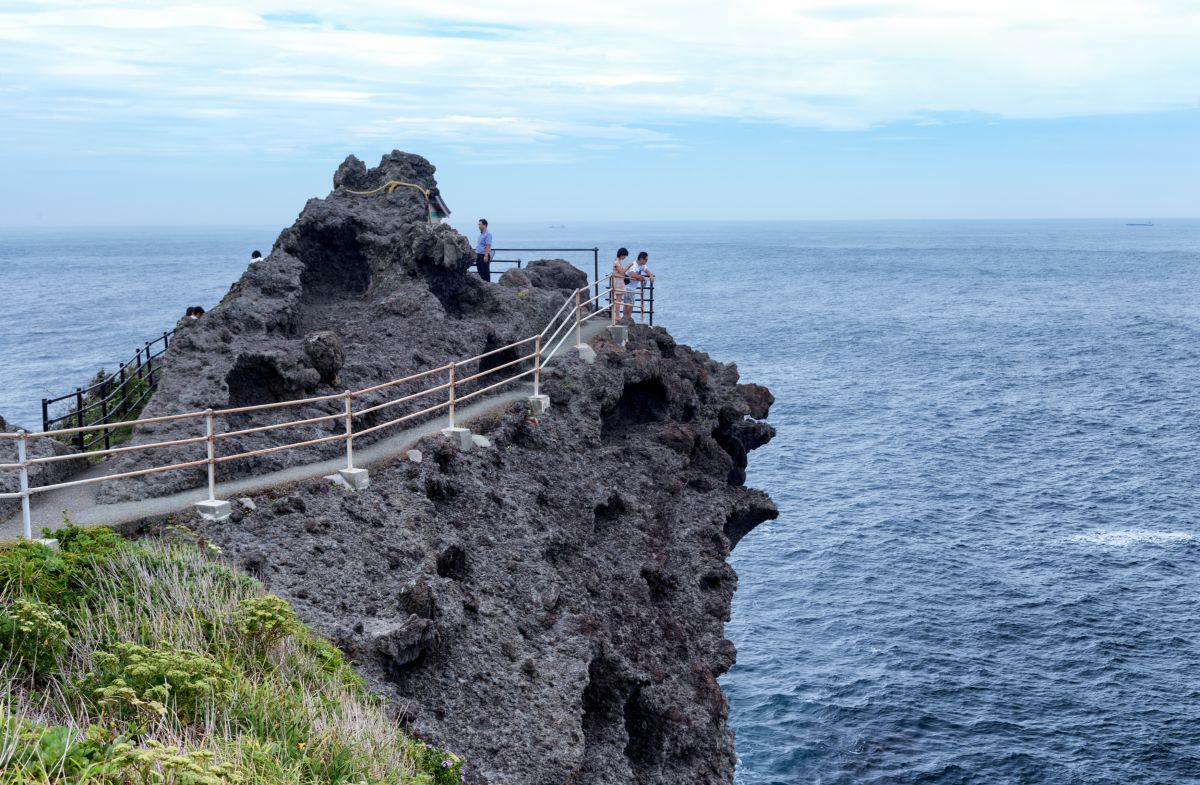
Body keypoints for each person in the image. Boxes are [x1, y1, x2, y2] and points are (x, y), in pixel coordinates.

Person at [623, 251, 654, 321]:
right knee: (629, 304)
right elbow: (632, 274)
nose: (647, 261)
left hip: (632, 288)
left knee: (628, 303)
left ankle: (626, 318)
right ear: (641, 259)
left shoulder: (642, 265)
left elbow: (647, 271)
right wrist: (641, 277)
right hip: (628, 287)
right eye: (646, 260)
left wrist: (651, 276)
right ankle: (627, 318)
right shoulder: (634, 265)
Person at [610, 247, 630, 316]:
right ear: (621, 254)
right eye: (624, 256)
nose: (624, 257)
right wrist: (628, 266)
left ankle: (617, 315)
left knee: (618, 300)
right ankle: (617, 316)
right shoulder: (616, 262)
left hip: (619, 282)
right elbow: (621, 271)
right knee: (618, 300)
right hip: (618, 283)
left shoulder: (618, 262)